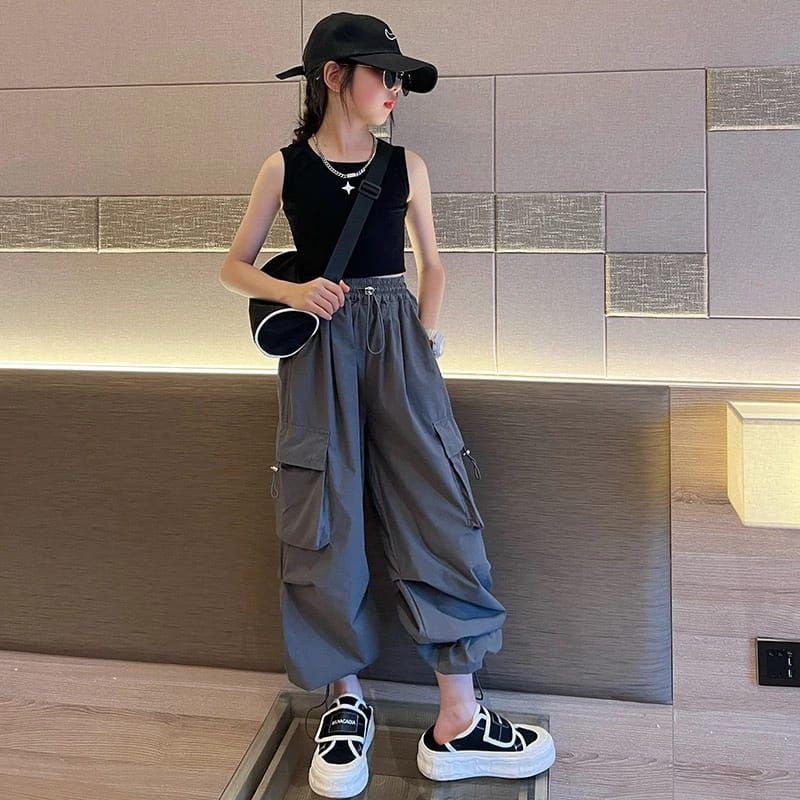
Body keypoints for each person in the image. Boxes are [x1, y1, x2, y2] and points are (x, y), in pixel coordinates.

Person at [219, 11, 556, 796]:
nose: (395, 89)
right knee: (322, 509)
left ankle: (459, 716)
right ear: (334, 77)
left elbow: (434, 266)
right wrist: (294, 291)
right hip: (319, 349)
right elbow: (233, 267)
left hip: (401, 343)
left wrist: (423, 347)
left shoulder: (407, 166)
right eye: (384, 73)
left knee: (437, 504)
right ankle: (345, 701)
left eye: (401, 78)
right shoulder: (283, 168)